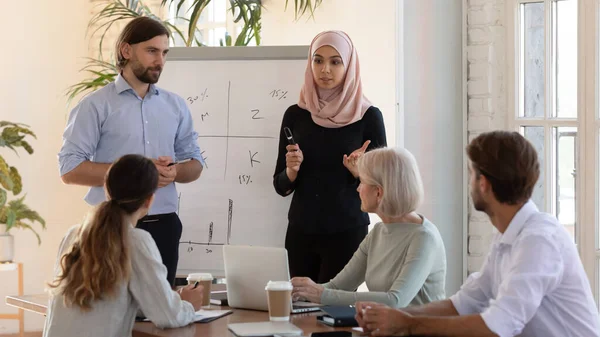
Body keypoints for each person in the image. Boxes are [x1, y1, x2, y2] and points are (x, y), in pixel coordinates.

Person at [356, 131, 600, 337]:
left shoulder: (538, 241)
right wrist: (392, 315)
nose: (470, 183)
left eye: (472, 175)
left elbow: (498, 326)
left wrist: (407, 324)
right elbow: (466, 303)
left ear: (484, 184)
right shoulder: (507, 235)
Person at [58, 17, 204, 286]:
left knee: (159, 318)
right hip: (110, 226)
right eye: (151, 51)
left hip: (164, 225)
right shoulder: (94, 106)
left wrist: (174, 172)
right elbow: (69, 170)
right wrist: (136, 172)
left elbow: (195, 165)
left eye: (164, 53)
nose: (160, 60)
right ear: (126, 51)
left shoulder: (176, 106)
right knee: (109, 311)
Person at [44, 154, 203, 337]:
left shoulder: (73, 234)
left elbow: (113, 302)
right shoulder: (135, 240)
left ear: (106, 189)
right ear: (149, 200)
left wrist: (171, 301)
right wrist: (188, 304)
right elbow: (167, 317)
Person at [273, 30, 387, 283]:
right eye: (318, 60)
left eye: (335, 61)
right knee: (300, 309)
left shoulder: (368, 116)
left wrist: (360, 173)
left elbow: (382, 189)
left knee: (334, 313)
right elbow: (280, 186)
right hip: (301, 231)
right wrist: (291, 172)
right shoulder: (296, 114)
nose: (325, 69)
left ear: (349, 66)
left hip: (347, 231)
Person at [291, 147, 446, 308]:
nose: (358, 188)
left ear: (378, 192)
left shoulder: (424, 237)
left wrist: (320, 294)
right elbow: (337, 288)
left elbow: (395, 301)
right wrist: (298, 291)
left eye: (362, 182)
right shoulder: (378, 231)